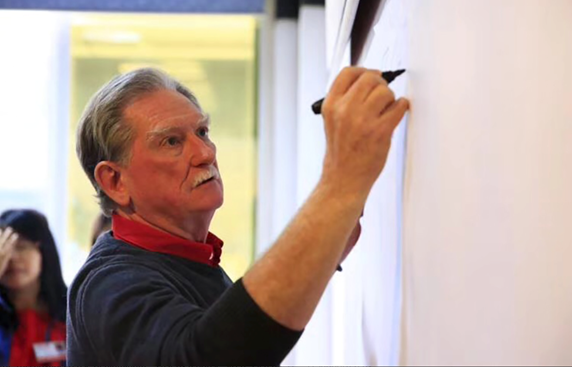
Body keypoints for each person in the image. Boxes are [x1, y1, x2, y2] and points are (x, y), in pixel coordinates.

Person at [67, 66, 409, 365]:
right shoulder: (109, 282)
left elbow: (240, 340)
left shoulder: (187, 260)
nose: (206, 152)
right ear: (115, 181)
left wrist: (325, 240)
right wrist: (339, 183)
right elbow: (206, 358)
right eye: (172, 142)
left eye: (202, 132)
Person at [0, 209, 68, 366]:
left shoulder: (72, 315)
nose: (12, 257)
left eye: (21, 246)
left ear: (43, 251)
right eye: (4, 249)